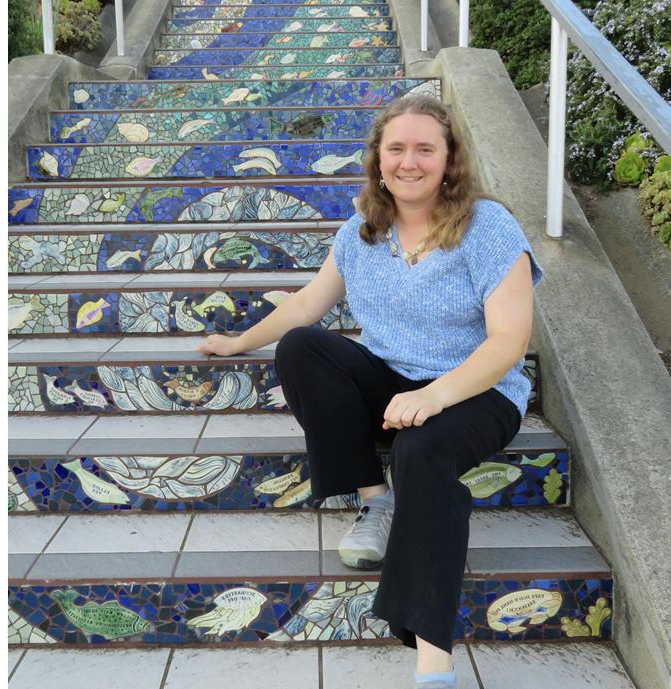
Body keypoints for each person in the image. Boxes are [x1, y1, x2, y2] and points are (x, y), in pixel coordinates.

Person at [199, 94, 541, 689]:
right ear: (378, 161)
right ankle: (374, 499)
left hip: (476, 389)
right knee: (303, 345)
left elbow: (509, 340)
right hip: (391, 382)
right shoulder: (361, 231)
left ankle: (433, 658)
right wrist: (238, 344)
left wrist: (437, 397)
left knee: (422, 450)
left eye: (425, 149)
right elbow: (308, 304)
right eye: (397, 149)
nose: (410, 162)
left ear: (449, 159)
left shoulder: (488, 226)